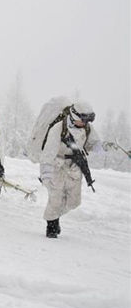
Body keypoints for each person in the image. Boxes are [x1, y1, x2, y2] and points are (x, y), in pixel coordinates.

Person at [39, 101, 104, 238]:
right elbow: (48, 152)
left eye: (88, 120)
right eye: (84, 119)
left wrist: (99, 147)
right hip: (58, 165)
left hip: (75, 167)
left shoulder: (87, 128)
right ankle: (51, 224)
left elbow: (93, 142)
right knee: (55, 199)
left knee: (74, 202)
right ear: (75, 116)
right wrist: (45, 173)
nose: (85, 123)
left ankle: (55, 216)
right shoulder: (58, 128)